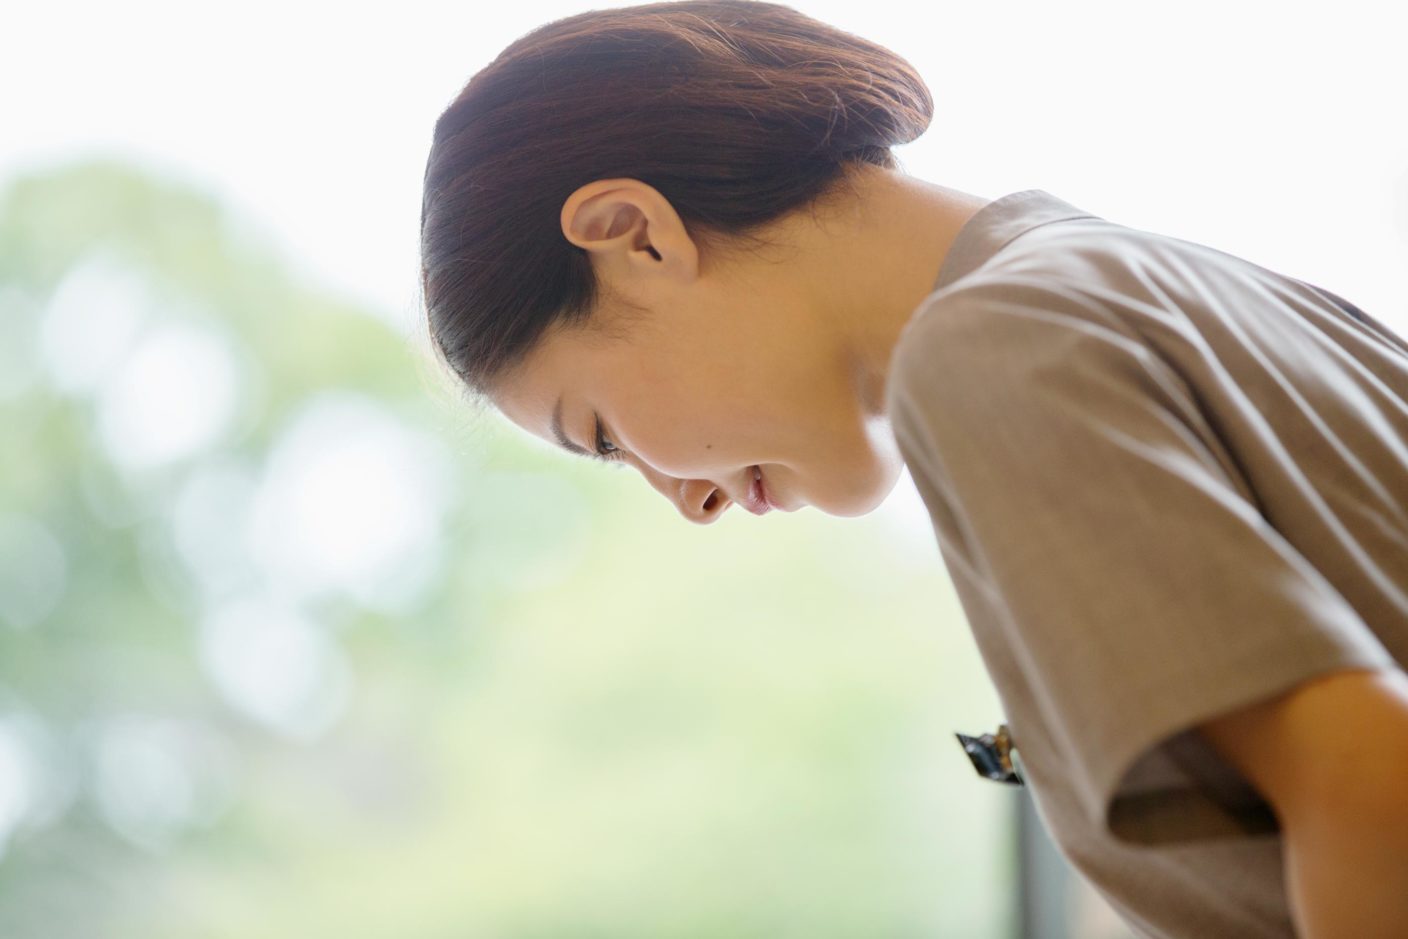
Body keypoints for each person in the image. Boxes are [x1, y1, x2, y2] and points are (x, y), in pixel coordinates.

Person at [417, 2, 1408, 936]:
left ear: (636, 237)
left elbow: (1369, 788)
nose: (689, 501)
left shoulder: (994, 350)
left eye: (601, 432)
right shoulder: (1183, 289)